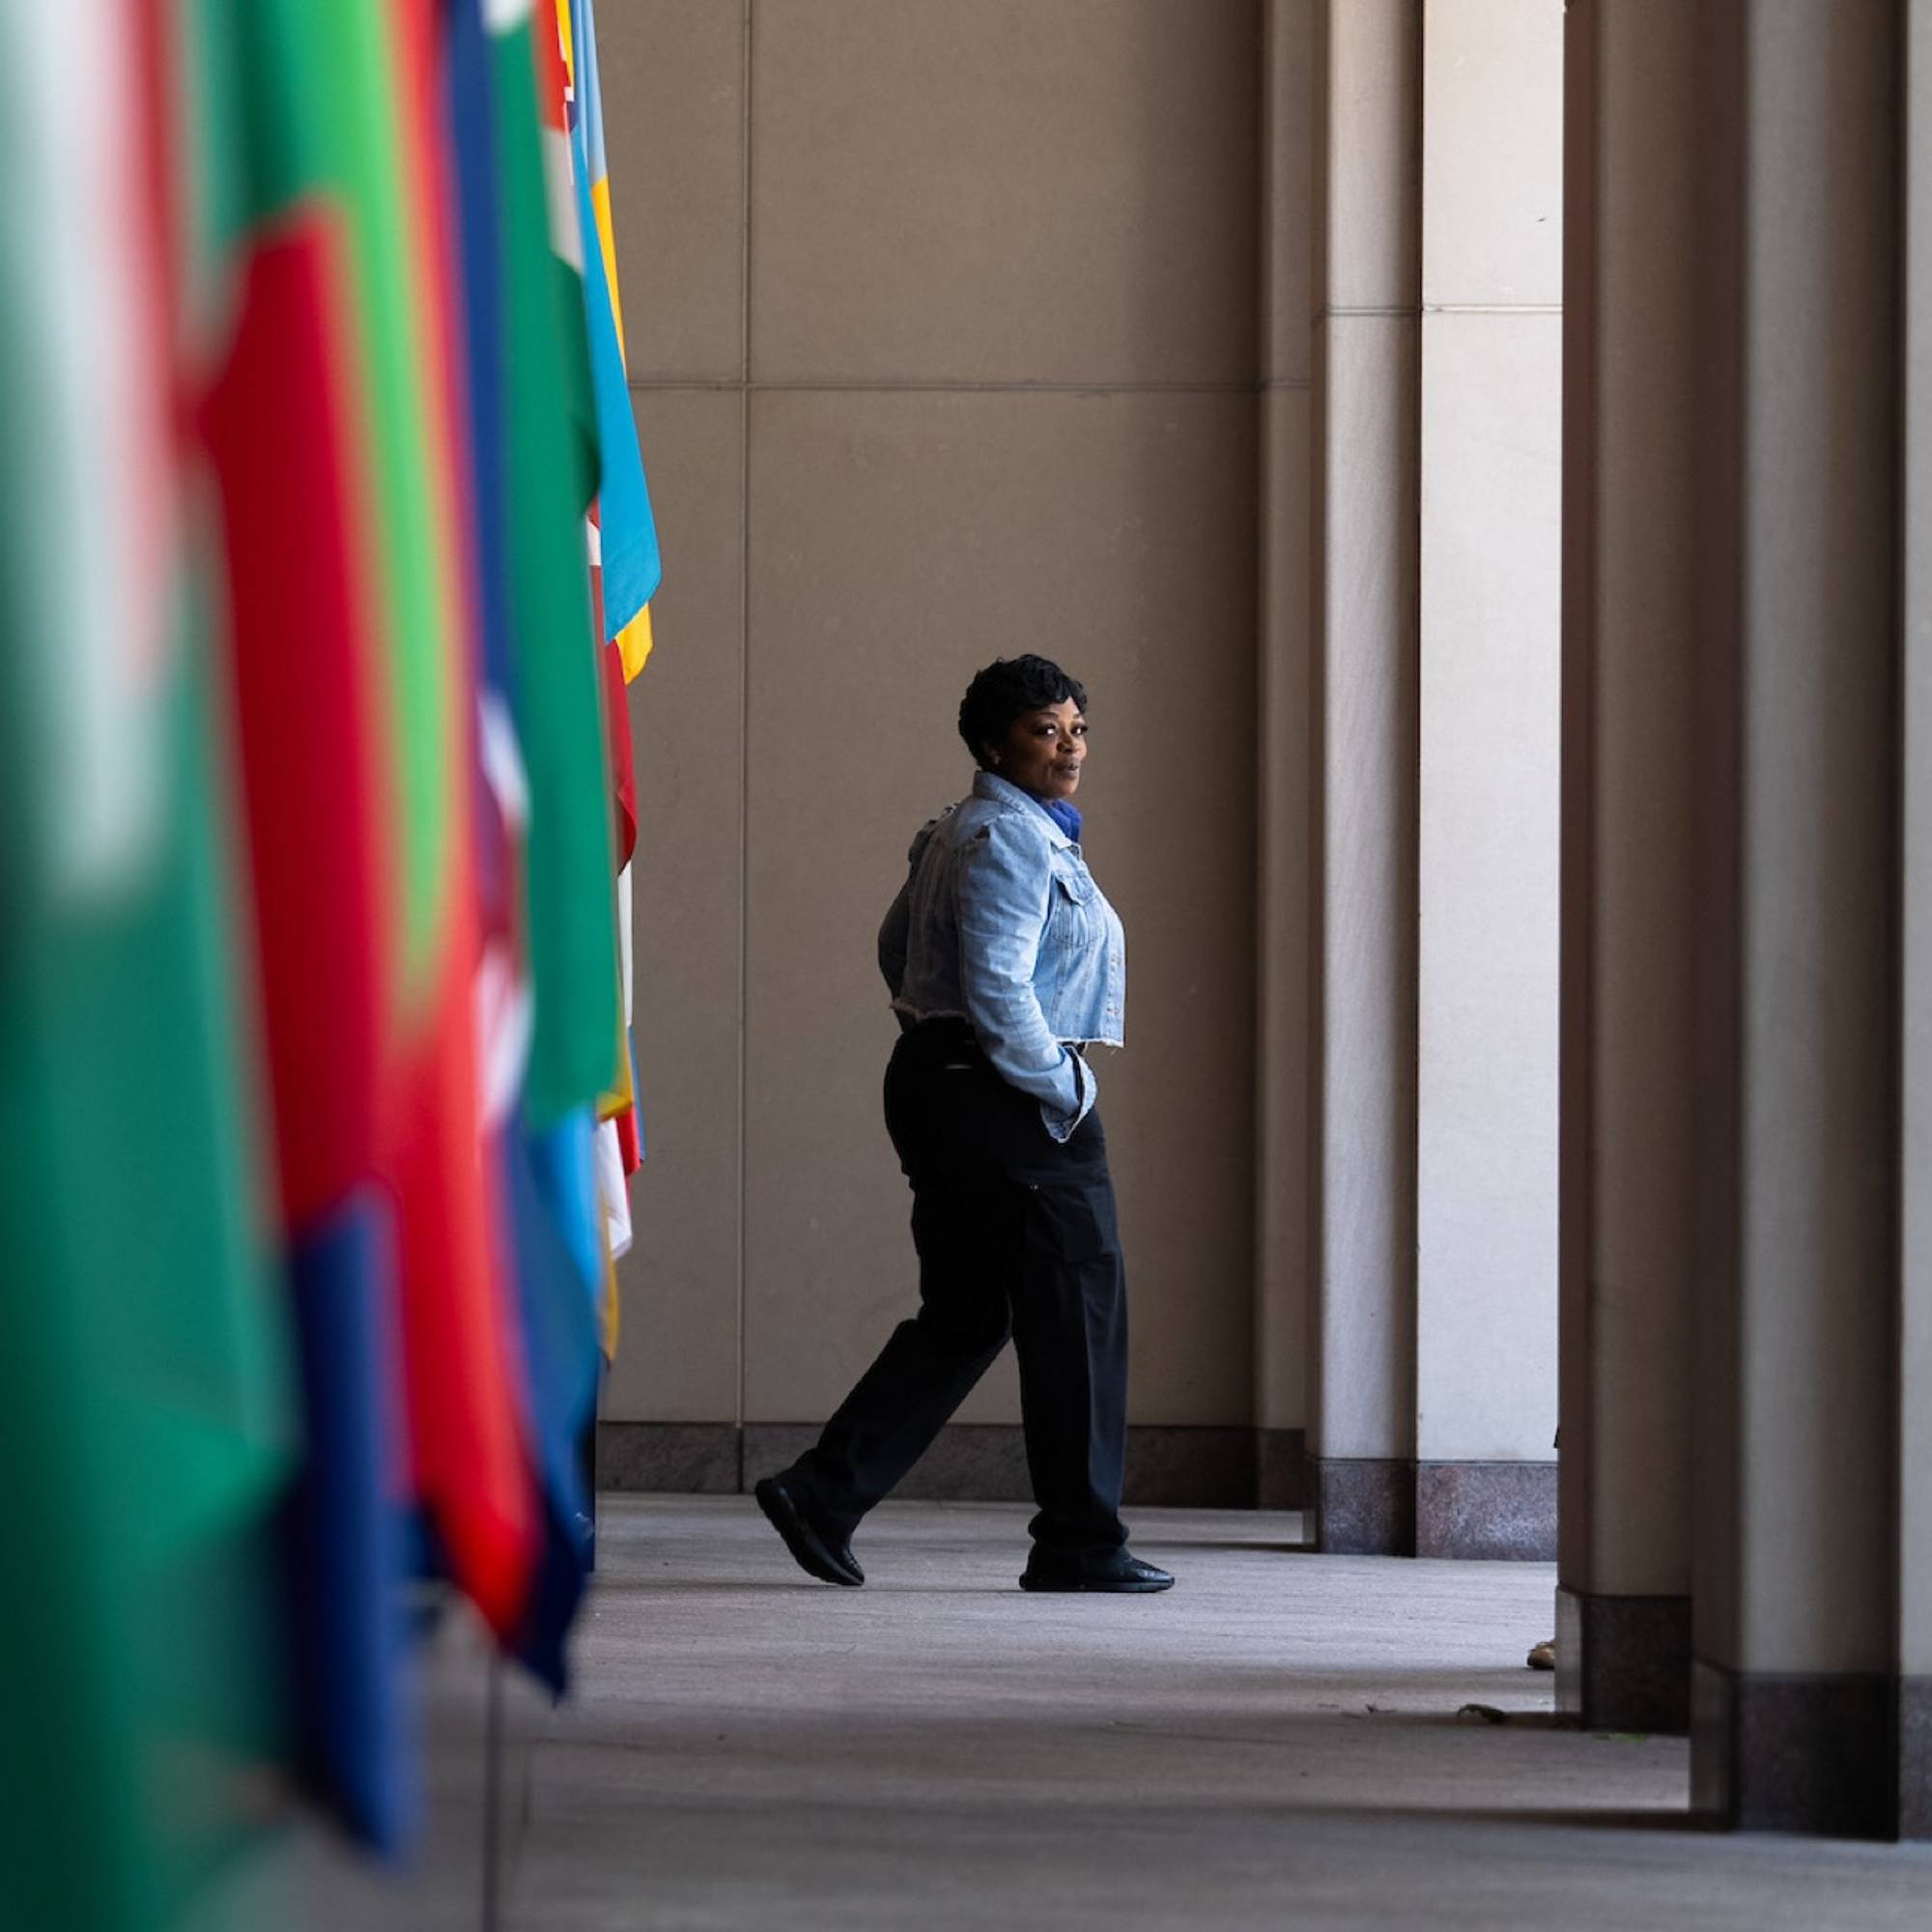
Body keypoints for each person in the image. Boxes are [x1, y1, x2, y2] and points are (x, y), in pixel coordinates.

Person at [754, 654, 1173, 1594]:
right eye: (1043, 730)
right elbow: (994, 985)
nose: (1069, 747)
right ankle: (1079, 1541)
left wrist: (933, 1029)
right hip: (1009, 1097)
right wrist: (1062, 1085)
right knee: (1078, 1317)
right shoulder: (1011, 840)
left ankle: (823, 1491)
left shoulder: (963, 830)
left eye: (1076, 728)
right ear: (992, 743)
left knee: (968, 1310)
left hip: (945, 1084)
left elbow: (896, 947)